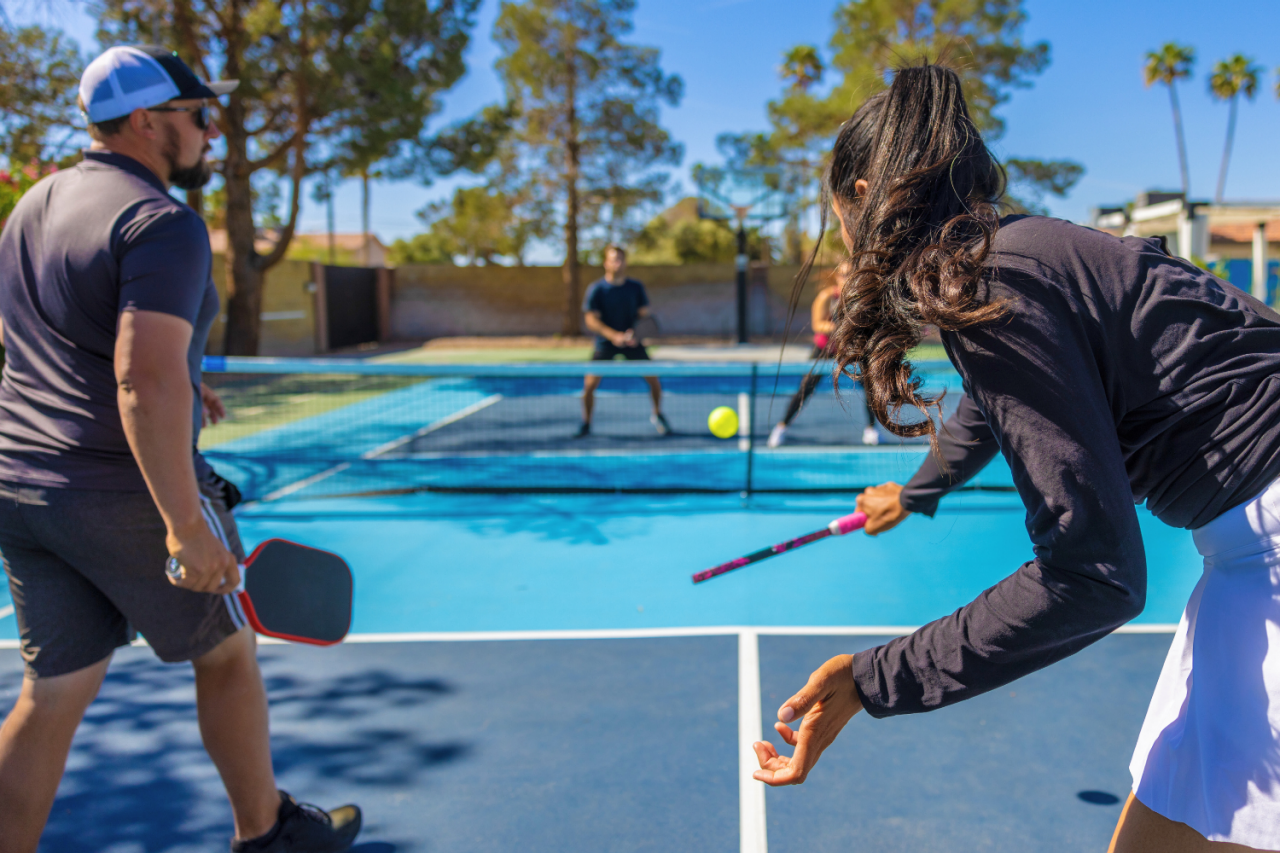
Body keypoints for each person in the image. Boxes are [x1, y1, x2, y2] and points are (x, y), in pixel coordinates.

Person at [750, 64, 1280, 853]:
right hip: (1251, 546)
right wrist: (920, 490)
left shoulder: (996, 281)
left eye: (839, 216)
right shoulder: (1016, 255)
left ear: (864, 195)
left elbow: (1092, 572)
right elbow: (990, 407)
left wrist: (872, 680)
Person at [0, 46, 360, 853]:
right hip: (121, 491)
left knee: (52, 691)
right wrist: (183, 524)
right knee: (229, 651)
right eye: (198, 114)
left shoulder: (34, 204)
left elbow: (33, 336)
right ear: (146, 121)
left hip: (22, 488)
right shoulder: (162, 221)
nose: (210, 129)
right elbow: (140, 376)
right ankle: (266, 833)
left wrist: (182, 382)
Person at [767, 260, 879, 448]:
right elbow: (817, 324)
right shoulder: (827, 296)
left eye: (852, 273)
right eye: (843, 274)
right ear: (837, 277)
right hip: (825, 349)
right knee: (806, 388)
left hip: (851, 349)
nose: (847, 277)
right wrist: (841, 327)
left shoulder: (860, 298)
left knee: (870, 387)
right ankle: (781, 428)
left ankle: (871, 430)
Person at [576, 245, 671, 438]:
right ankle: (586, 423)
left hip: (632, 343)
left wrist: (634, 334)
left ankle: (658, 414)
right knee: (588, 386)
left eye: (620, 259)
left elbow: (645, 316)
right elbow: (591, 320)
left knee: (654, 381)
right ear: (606, 263)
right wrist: (613, 336)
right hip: (605, 344)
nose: (617, 262)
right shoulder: (597, 289)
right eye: (613, 259)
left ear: (625, 262)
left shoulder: (635, 287)